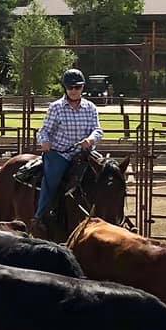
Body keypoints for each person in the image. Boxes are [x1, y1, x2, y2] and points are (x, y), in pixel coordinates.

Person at [33, 68, 102, 233]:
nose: (73, 91)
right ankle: (40, 217)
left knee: (107, 172)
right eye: (70, 87)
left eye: (77, 87)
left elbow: (98, 130)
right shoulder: (56, 108)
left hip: (84, 153)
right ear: (65, 88)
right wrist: (45, 142)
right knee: (52, 178)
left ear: (83, 88)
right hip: (60, 153)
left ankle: (110, 214)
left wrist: (91, 139)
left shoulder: (90, 107)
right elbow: (44, 131)